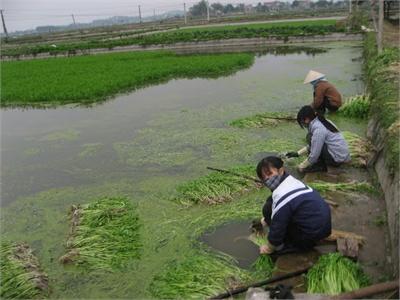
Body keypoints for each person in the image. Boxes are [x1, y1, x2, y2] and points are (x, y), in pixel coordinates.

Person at [255, 156, 331, 255]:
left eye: (269, 173)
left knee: (268, 210)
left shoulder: (282, 195)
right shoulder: (291, 181)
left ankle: (295, 245)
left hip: (312, 235)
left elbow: (277, 230)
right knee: (270, 203)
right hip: (323, 225)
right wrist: (266, 220)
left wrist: (268, 248)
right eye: (263, 177)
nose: (267, 179)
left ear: (281, 170)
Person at [286, 105, 350, 173]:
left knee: (309, 137)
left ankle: (327, 167)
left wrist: (301, 166)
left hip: (337, 159)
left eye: (302, 122)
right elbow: (315, 144)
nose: (303, 125)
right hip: (342, 156)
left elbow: (314, 155)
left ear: (307, 119)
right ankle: (323, 164)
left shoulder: (318, 129)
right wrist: (298, 153)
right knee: (311, 138)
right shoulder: (323, 121)